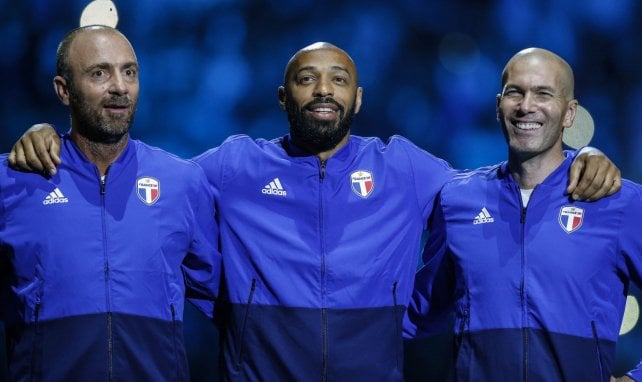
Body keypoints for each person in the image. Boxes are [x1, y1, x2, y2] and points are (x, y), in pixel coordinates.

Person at [8, 43, 622, 381]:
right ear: (284, 96)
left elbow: (502, 188)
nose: (323, 89)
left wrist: (583, 157)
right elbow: (134, 179)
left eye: (337, 80)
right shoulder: (231, 166)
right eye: (306, 79)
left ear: (359, 96)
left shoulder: (406, 168)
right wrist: (53, 142)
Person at [404, 47, 642, 381]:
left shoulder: (615, 201)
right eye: (515, 92)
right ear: (498, 107)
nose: (526, 105)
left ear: (570, 113)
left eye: (543, 94)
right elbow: (418, 312)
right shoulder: (458, 200)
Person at [0, 25, 221, 381]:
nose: (119, 86)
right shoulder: (13, 181)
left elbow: (228, 300)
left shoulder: (183, 182)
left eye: (129, 72)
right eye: (99, 73)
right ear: (63, 90)